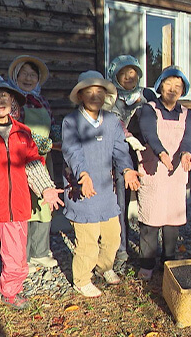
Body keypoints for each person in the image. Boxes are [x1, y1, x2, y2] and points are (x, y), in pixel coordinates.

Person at [0, 71, 64, 323]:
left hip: (17, 207)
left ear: (12, 100)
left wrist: (46, 188)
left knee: (16, 255)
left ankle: (11, 291)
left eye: (4, 95)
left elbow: (33, 163)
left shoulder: (23, 132)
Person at [62, 70, 141, 297]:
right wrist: (83, 174)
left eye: (99, 91)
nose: (94, 96)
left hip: (106, 191)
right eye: (89, 92)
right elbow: (72, 150)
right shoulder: (71, 121)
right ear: (80, 96)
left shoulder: (112, 120)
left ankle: (104, 267)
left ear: (105, 95)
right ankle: (82, 279)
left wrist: (127, 169)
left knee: (112, 236)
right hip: (82, 189)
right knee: (87, 241)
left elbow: (120, 149)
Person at [136, 65, 191, 280]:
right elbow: (149, 133)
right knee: (151, 219)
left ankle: (169, 261)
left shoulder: (186, 113)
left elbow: (189, 137)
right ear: (160, 85)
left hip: (176, 172)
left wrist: (187, 153)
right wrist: (161, 153)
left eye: (177, 86)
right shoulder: (149, 109)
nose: (172, 89)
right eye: (168, 84)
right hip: (154, 169)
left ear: (182, 90)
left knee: (172, 219)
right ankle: (147, 263)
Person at [7, 55, 60, 273]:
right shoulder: (12, 102)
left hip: (45, 160)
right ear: (16, 76)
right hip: (21, 161)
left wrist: (59, 137)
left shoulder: (42, 101)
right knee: (25, 206)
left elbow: (53, 124)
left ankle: (40, 252)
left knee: (45, 203)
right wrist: (44, 143)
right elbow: (15, 130)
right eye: (24, 74)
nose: (29, 78)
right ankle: (23, 256)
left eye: (33, 75)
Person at [106, 55, 157, 271]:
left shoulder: (146, 95)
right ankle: (121, 249)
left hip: (145, 156)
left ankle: (150, 248)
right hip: (120, 156)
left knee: (150, 200)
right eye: (124, 73)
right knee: (121, 202)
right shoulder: (111, 98)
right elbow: (111, 124)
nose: (129, 77)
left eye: (133, 72)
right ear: (115, 75)